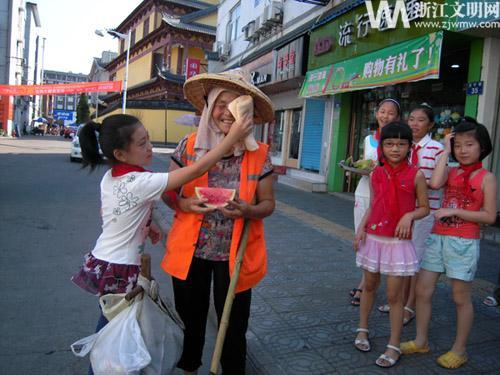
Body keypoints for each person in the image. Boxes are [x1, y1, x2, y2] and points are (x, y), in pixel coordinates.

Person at [70, 113, 253, 375]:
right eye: (142, 143)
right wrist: (232, 138)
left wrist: (146, 226)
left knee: (114, 329)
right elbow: (198, 170)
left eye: (148, 139)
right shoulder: (141, 182)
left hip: (105, 262)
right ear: (121, 154)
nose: (150, 147)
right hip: (122, 270)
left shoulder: (112, 176)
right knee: (113, 338)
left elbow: (110, 213)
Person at [160, 71, 275, 375]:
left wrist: (248, 210)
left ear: (246, 112)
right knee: (191, 319)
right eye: (221, 104)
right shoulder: (188, 145)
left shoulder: (259, 153)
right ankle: (189, 367)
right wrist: (183, 203)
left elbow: (268, 205)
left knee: (234, 325)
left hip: (235, 255)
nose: (227, 112)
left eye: (236, 105)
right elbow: (167, 192)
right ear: (209, 107)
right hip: (191, 251)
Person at [401, 118, 497, 369]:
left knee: (460, 297)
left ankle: (460, 349)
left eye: (469, 144)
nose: (463, 150)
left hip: (463, 242)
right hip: (438, 237)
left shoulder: (486, 178)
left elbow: (489, 216)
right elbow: (434, 183)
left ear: (482, 147)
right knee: (422, 290)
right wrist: (445, 148)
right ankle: (421, 340)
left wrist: (457, 214)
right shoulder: (452, 172)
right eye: (459, 145)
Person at [353, 122, 429, 368]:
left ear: (409, 146)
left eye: (401, 144)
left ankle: (393, 344)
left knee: (395, 296)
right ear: (382, 147)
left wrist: (409, 216)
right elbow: (373, 205)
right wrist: (360, 229)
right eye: (389, 144)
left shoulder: (416, 174)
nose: (395, 149)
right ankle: (362, 329)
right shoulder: (375, 172)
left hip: (398, 243)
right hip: (373, 238)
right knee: (370, 287)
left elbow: (425, 208)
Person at [378, 104, 444, 323]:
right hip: (400, 210)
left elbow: (439, 181)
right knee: (401, 258)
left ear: (431, 124)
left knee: (414, 260)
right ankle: (398, 299)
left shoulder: (437, 148)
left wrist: (414, 183)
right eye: (412, 119)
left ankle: (409, 305)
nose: (415, 124)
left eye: (421, 120)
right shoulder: (403, 145)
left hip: (424, 213)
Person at [351, 98, 401, 306]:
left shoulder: (399, 140)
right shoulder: (368, 139)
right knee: (361, 237)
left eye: (390, 113)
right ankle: (365, 282)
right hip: (364, 192)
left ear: (397, 117)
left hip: (385, 197)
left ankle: (368, 286)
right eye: (382, 111)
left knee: (379, 239)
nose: (385, 116)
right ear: (376, 113)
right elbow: (365, 165)